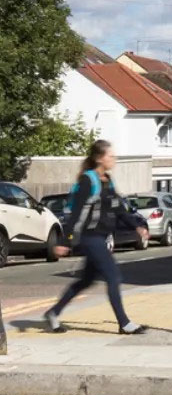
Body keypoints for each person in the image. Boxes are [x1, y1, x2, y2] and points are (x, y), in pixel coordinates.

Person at [45, 139, 148, 335]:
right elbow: (76, 214)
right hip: (89, 238)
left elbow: (119, 209)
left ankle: (53, 313)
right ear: (100, 158)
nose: (114, 159)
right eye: (111, 156)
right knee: (113, 276)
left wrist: (137, 226)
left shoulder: (108, 181)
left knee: (86, 281)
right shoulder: (88, 180)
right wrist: (64, 241)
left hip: (101, 237)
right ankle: (124, 323)